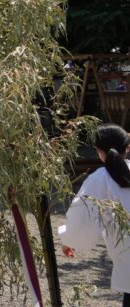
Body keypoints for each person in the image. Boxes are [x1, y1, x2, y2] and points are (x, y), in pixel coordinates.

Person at [59, 123, 130, 305]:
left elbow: (82, 216)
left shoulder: (99, 178)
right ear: (127, 147)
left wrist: (69, 240)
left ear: (98, 150)